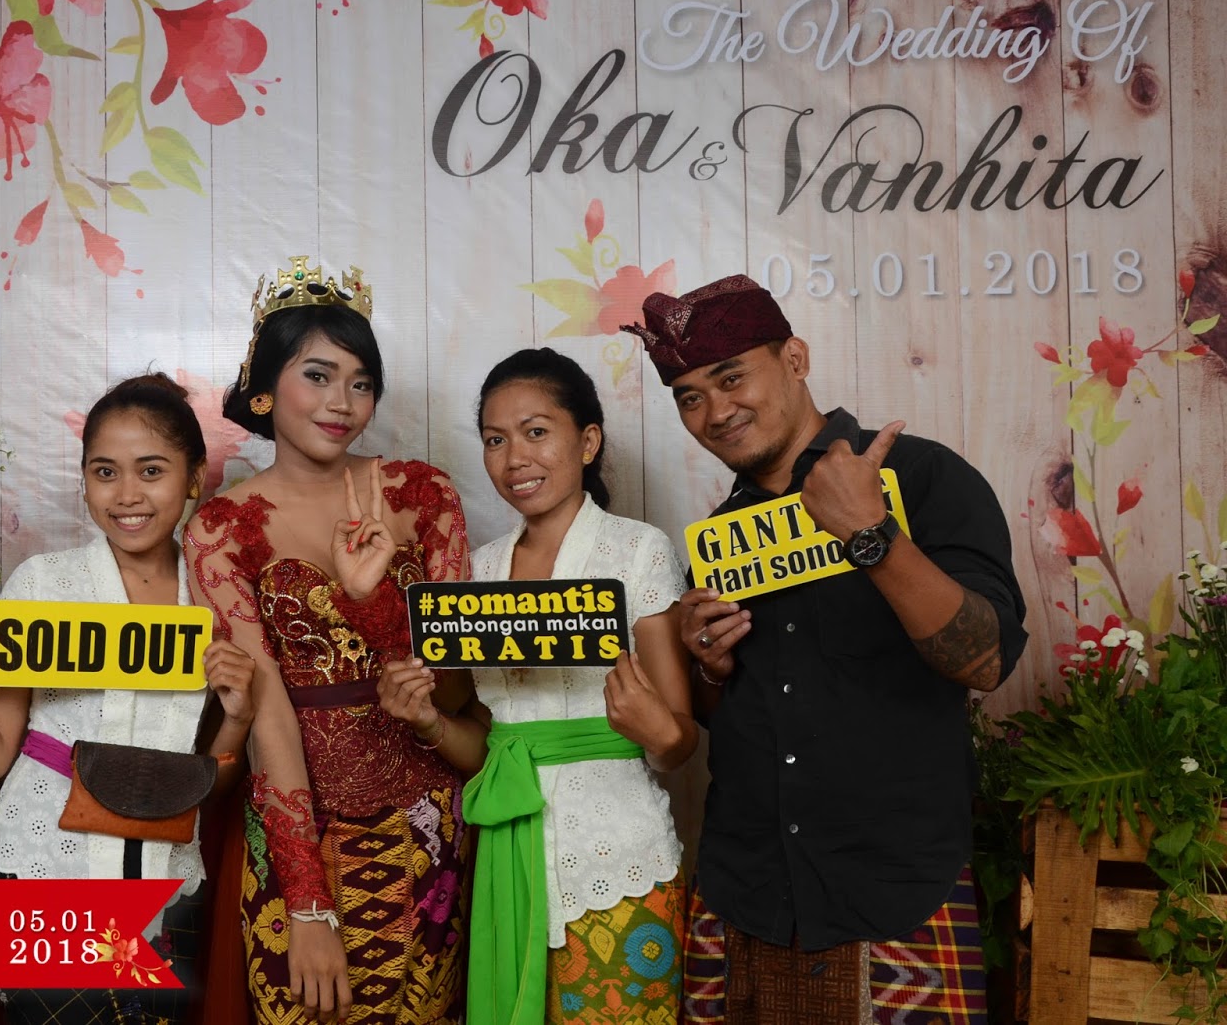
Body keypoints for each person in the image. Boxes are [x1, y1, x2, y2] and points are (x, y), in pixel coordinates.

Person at [624, 275, 1028, 1025]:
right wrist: (709, 664)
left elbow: (987, 660)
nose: (716, 411)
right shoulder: (723, 535)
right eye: (689, 397)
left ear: (796, 359)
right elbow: (732, 712)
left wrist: (871, 535)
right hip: (744, 897)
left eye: (731, 377)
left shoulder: (923, 477)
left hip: (894, 896)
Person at [0, 373, 256, 1025]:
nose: (127, 494)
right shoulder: (44, 584)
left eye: (152, 470)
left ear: (195, 476)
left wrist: (237, 714)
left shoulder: (215, 596)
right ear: (84, 479)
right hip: (43, 865)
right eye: (104, 471)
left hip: (164, 879)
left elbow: (213, 780)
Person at [184, 258, 480, 1025]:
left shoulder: (422, 495)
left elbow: (456, 687)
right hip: (297, 826)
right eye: (317, 376)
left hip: (424, 819)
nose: (342, 402)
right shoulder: (220, 527)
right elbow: (269, 713)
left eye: (360, 382)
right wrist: (308, 905)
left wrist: (375, 601)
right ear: (263, 387)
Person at [435, 347, 696, 1025]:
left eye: (535, 431)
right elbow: (482, 740)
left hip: (621, 857)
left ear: (588, 441)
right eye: (495, 439)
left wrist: (656, 729)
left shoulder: (637, 550)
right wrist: (425, 713)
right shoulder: (478, 572)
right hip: (506, 852)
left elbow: (678, 742)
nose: (514, 458)